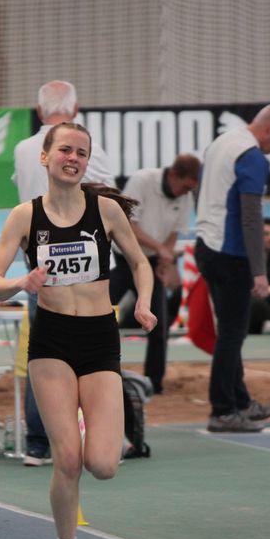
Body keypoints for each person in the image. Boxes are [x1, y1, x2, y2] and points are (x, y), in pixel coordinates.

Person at [0, 122, 156, 539]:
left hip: (99, 338)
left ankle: (83, 420)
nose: (73, 158)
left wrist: (143, 302)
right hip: (53, 340)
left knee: (104, 465)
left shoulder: (106, 210)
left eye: (81, 152)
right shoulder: (25, 216)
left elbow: (140, 262)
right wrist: (21, 283)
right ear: (45, 157)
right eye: (65, 149)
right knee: (68, 461)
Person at [13, 80, 115, 466]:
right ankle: (91, 438)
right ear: (75, 110)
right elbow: (108, 202)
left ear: (39, 111)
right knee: (92, 354)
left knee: (41, 351)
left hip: (38, 262)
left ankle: (39, 444)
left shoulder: (23, 149)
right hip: (86, 265)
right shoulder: (90, 149)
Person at [195, 103, 270, 433]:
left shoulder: (221, 143)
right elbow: (252, 218)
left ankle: (240, 401)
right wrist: (259, 270)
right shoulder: (252, 157)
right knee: (232, 335)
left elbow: (202, 190)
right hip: (231, 255)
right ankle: (223, 410)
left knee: (230, 331)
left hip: (207, 246)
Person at [109, 154, 200, 393]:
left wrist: (164, 259)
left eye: (190, 189)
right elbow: (128, 226)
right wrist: (160, 249)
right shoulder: (142, 181)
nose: (186, 193)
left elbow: (175, 232)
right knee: (99, 313)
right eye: (185, 187)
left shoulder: (185, 196)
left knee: (159, 324)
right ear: (174, 175)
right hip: (124, 259)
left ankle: (154, 382)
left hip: (149, 264)